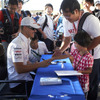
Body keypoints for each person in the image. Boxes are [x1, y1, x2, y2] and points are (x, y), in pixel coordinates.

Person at [53, 0, 100, 100]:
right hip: (78, 54)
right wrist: (60, 50)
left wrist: (85, 51)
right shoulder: (66, 20)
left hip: (93, 56)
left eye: (68, 15)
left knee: (92, 84)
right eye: (65, 16)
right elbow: (67, 39)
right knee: (79, 81)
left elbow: (98, 38)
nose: (66, 18)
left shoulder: (91, 20)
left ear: (76, 11)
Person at [7, 16, 55, 96]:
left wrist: (37, 65)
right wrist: (39, 64)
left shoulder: (26, 40)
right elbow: (20, 69)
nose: (35, 31)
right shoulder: (17, 44)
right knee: (47, 90)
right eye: (33, 28)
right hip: (18, 83)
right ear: (25, 28)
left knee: (49, 79)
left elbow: (26, 62)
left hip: (26, 78)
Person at [53, 30, 93, 99]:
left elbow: (89, 70)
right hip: (75, 78)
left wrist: (82, 71)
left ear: (82, 45)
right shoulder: (76, 51)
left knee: (81, 96)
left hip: (83, 82)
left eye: (76, 43)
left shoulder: (89, 57)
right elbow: (68, 56)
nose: (74, 44)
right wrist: (57, 56)